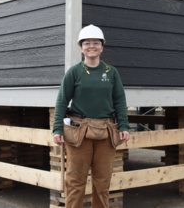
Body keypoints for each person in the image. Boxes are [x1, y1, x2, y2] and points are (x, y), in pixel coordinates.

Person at [52, 24, 130, 208]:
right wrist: (57, 128)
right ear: (81, 47)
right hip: (79, 133)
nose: (91, 46)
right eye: (87, 43)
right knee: (75, 182)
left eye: (96, 42)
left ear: (102, 47)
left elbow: (119, 100)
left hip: (106, 132)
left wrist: (124, 126)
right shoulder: (74, 72)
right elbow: (62, 101)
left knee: (102, 183)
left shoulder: (112, 73)